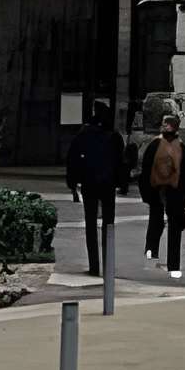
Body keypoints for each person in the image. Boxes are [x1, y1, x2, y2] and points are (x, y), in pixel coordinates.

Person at [64, 99, 129, 276]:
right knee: (109, 223)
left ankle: (94, 265)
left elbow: (73, 159)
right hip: (107, 184)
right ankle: (108, 262)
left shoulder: (84, 134)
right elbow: (121, 163)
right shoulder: (113, 136)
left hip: (89, 183)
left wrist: (72, 183)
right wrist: (122, 184)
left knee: (90, 223)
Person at [139, 110, 185, 278]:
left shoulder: (154, 145)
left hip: (157, 190)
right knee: (175, 229)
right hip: (176, 193)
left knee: (155, 219)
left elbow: (145, 171)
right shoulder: (183, 149)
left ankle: (151, 250)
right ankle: (174, 265)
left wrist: (146, 194)